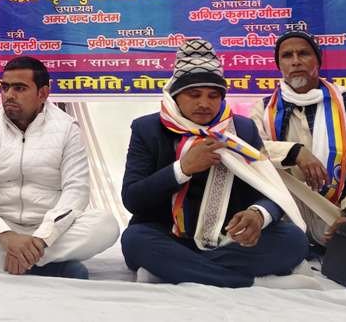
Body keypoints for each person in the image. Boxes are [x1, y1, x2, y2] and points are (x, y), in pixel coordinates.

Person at [120, 39, 307, 288]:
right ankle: (245, 281)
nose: (204, 104)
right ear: (175, 95)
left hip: (229, 238)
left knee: (293, 240)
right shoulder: (148, 129)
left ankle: (175, 270)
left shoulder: (241, 129)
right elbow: (132, 198)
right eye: (194, 95)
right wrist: (182, 169)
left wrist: (258, 214)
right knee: (135, 239)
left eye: (213, 95)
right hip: (168, 235)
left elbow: (271, 191)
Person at [0, 56, 118, 278]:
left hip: (48, 231)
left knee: (106, 225)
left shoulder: (66, 128)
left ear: (43, 93)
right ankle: (47, 264)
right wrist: (4, 234)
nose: (9, 95)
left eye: (19, 88)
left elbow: (76, 191)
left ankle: (12, 259)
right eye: (5, 87)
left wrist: (43, 238)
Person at [249, 31, 346, 249]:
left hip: (343, 216)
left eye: (304, 54)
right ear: (279, 65)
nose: (296, 61)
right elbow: (255, 153)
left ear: (317, 61)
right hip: (291, 220)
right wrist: (295, 152)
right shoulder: (263, 109)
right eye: (287, 56)